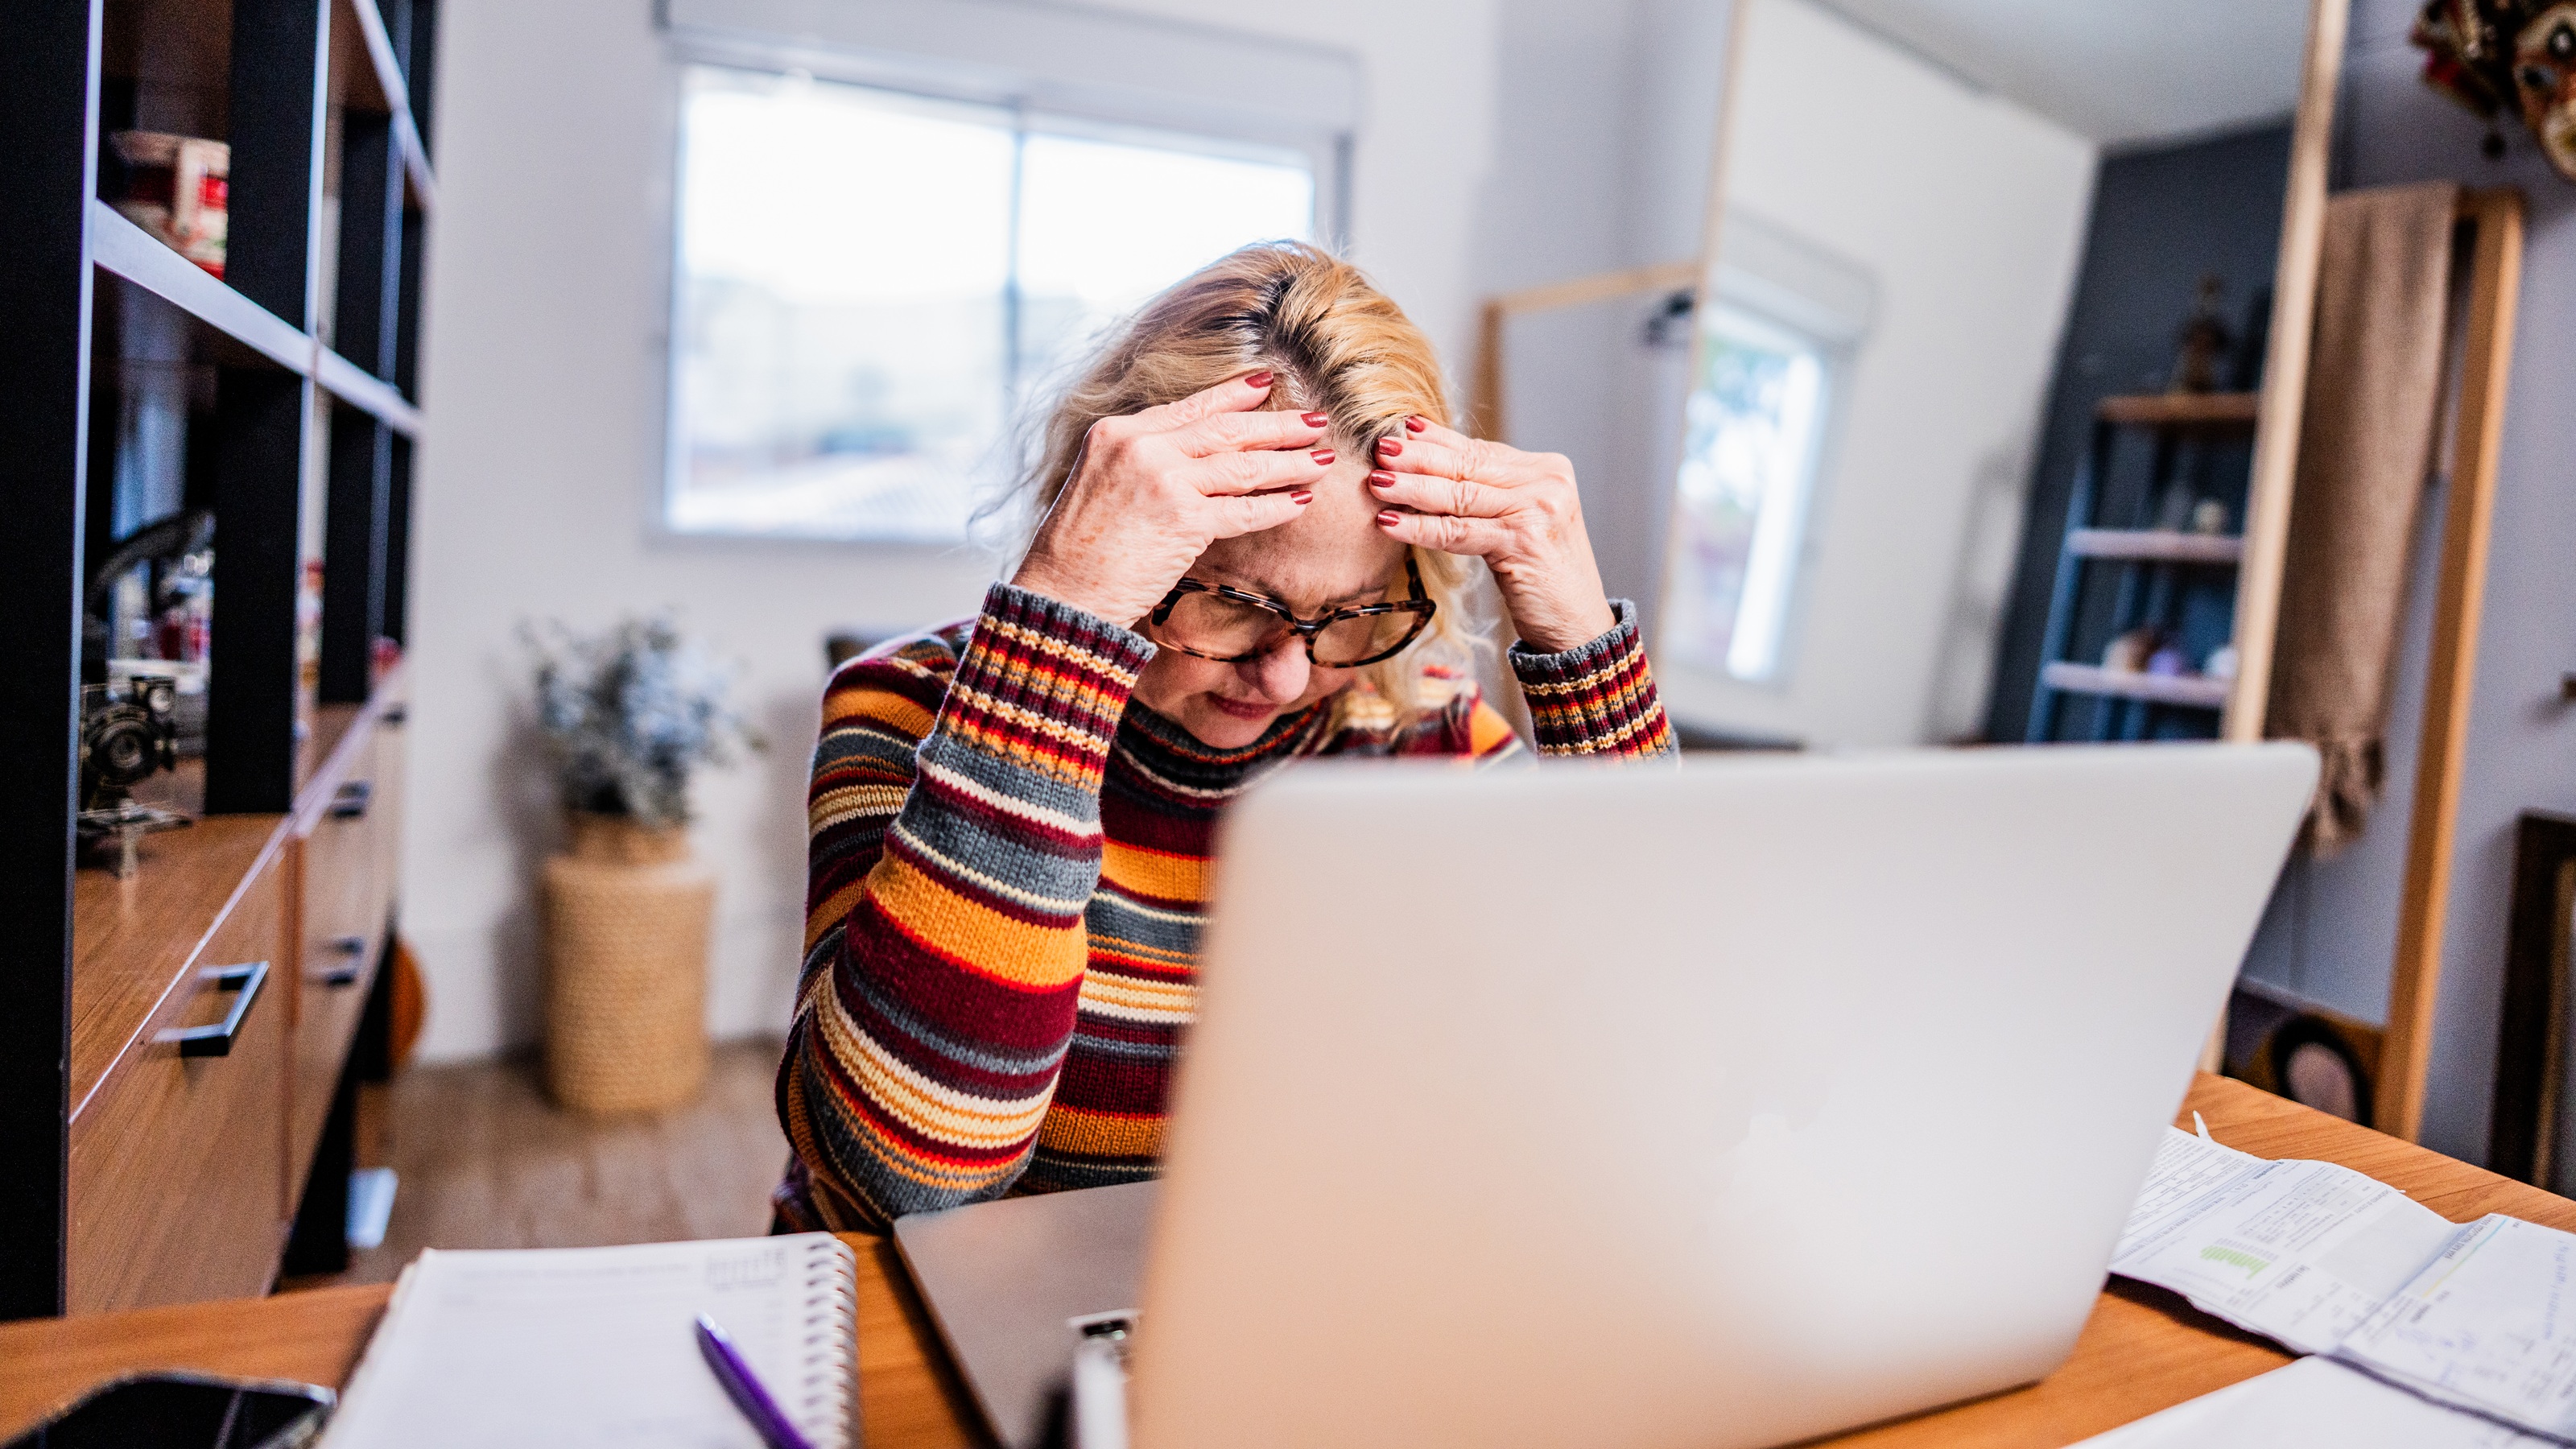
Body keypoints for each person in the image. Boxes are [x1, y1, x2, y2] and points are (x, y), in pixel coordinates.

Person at [773, 242, 1674, 1233]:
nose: (1283, 676)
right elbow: (902, 1185)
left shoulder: (1422, 732)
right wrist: (1060, 618)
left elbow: (1653, 1072)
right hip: (954, 1299)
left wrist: (1586, 659)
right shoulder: (906, 707)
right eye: (1234, 603)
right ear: (1113, 534)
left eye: (1353, 611)